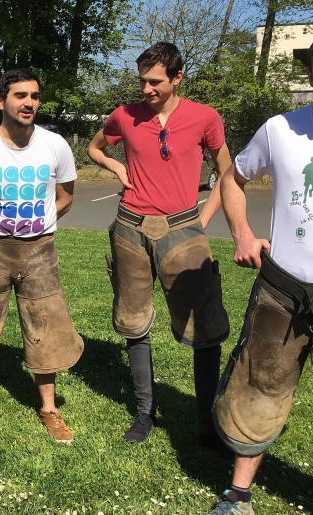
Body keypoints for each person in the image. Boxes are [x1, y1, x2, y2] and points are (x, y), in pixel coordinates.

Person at [210, 25, 313, 515]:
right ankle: (238, 495)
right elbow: (233, 178)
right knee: (256, 388)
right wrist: (241, 233)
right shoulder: (279, 129)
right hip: (281, 290)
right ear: (311, 76)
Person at [87, 42, 233, 446]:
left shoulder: (205, 117)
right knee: (134, 322)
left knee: (204, 328)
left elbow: (228, 172)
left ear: (177, 78)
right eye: (142, 81)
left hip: (183, 230)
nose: (147, 89)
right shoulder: (124, 115)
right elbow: (94, 146)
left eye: (155, 82)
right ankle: (144, 413)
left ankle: (205, 421)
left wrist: (201, 220)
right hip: (130, 228)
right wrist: (115, 164)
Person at [0, 69, 84, 443]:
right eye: (20, 95)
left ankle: (49, 409)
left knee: (45, 323)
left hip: (39, 251)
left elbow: (66, 196)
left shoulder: (55, 144)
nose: (29, 103)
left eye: (35, 96)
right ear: (0, 101)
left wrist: (39, 222)